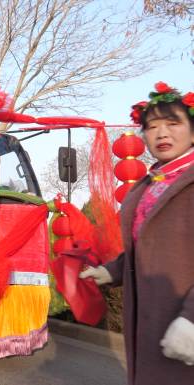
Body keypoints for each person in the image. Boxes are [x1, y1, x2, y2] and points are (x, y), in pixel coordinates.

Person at [80, 83, 194, 385]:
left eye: (173, 123)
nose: (162, 133)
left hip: (184, 322)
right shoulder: (149, 183)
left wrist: (192, 320)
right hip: (151, 320)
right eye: (152, 126)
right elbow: (149, 244)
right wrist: (112, 270)